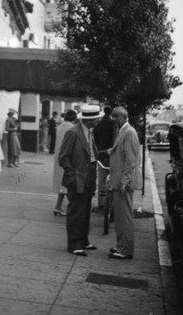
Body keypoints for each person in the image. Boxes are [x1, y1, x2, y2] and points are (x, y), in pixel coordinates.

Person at [58, 104, 103, 256]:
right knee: (76, 210)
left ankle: (83, 240)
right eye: (97, 118)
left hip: (89, 174)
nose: (98, 121)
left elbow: (93, 154)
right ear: (90, 120)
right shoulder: (73, 132)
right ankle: (74, 244)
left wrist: (107, 152)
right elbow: (63, 157)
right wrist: (72, 175)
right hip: (78, 176)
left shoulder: (89, 132)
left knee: (85, 209)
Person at [98, 106, 142, 260]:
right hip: (119, 181)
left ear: (124, 117)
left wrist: (124, 181)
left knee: (124, 217)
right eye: (113, 116)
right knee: (120, 216)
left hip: (123, 183)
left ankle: (125, 249)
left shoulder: (128, 132)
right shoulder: (124, 131)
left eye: (116, 116)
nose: (114, 119)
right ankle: (121, 245)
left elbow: (131, 161)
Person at [52, 109, 78, 216]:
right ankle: (67, 207)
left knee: (62, 185)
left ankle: (58, 206)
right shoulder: (72, 129)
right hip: (67, 159)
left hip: (58, 158)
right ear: (74, 118)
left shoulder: (59, 127)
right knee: (67, 184)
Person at [93, 105, 116, 210]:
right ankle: (109, 203)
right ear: (111, 113)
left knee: (101, 179)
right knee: (112, 178)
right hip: (112, 153)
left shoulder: (98, 124)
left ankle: (101, 203)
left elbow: (95, 139)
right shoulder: (114, 124)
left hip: (101, 154)